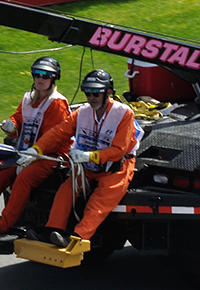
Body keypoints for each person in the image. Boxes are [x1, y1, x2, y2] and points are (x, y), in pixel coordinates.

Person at [18, 69, 138, 247]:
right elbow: (59, 132)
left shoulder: (123, 114)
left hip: (116, 167)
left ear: (108, 92)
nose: (91, 97)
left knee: (99, 202)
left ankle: (78, 237)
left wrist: (88, 156)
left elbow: (118, 150)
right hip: (88, 165)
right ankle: (52, 230)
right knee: (65, 190)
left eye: (96, 93)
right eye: (87, 92)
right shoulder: (82, 112)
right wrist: (36, 150)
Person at [0, 57, 71, 238]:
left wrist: (35, 152)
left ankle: (4, 225)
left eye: (46, 75)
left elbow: (54, 138)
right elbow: (19, 118)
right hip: (26, 154)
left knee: (24, 178)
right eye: (37, 74)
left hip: (52, 157)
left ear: (54, 78)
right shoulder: (28, 99)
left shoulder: (57, 103)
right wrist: (12, 126)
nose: (40, 79)